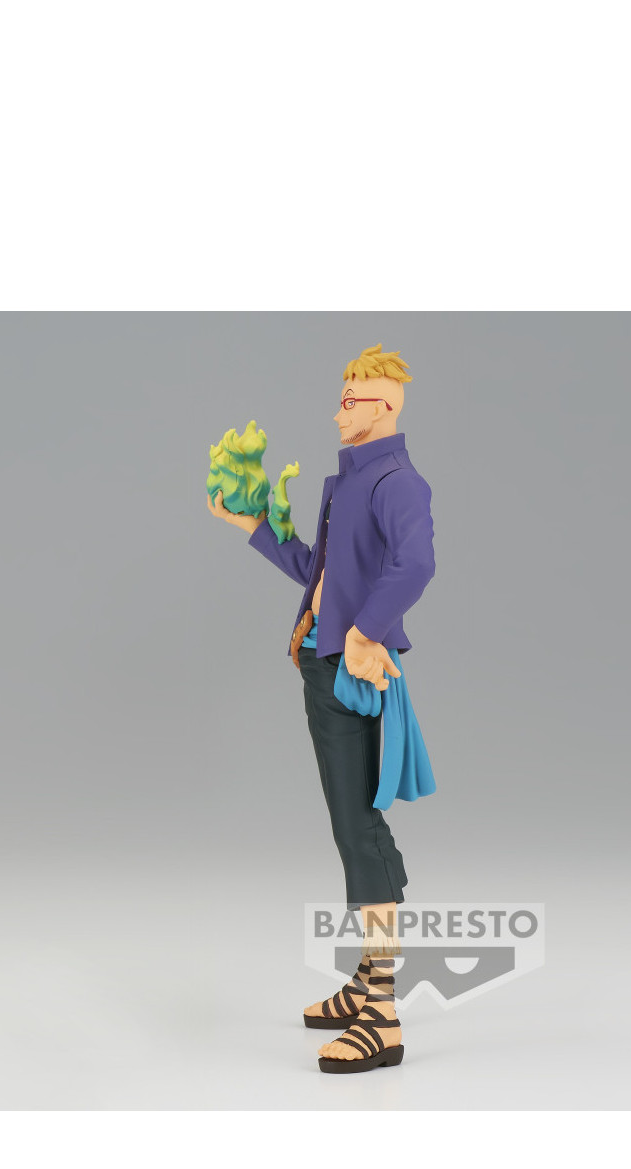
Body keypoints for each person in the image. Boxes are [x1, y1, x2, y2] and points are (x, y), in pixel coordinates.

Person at [206, 343, 435, 1073]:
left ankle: (382, 1015)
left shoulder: (397, 482)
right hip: (323, 661)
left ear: (385, 406)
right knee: (351, 825)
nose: (339, 413)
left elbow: (416, 564)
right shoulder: (350, 482)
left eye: (351, 401)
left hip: (349, 670)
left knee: (359, 828)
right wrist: (253, 529)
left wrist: (366, 634)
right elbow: (321, 574)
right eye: (340, 399)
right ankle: (367, 981)